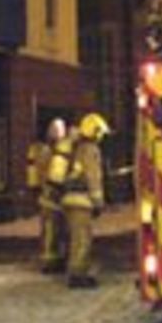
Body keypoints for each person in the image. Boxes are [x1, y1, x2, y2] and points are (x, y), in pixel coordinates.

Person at [46, 112, 109, 288]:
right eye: (100, 133)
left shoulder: (72, 146)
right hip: (82, 201)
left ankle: (74, 270)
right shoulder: (90, 150)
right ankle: (78, 276)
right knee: (82, 239)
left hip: (67, 198)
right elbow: (93, 178)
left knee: (74, 237)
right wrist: (98, 202)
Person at [29, 118, 68, 273]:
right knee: (51, 230)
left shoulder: (40, 149)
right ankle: (50, 261)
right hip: (50, 195)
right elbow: (34, 172)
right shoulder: (47, 150)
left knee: (57, 229)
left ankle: (57, 258)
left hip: (54, 195)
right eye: (57, 130)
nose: (59, 134)